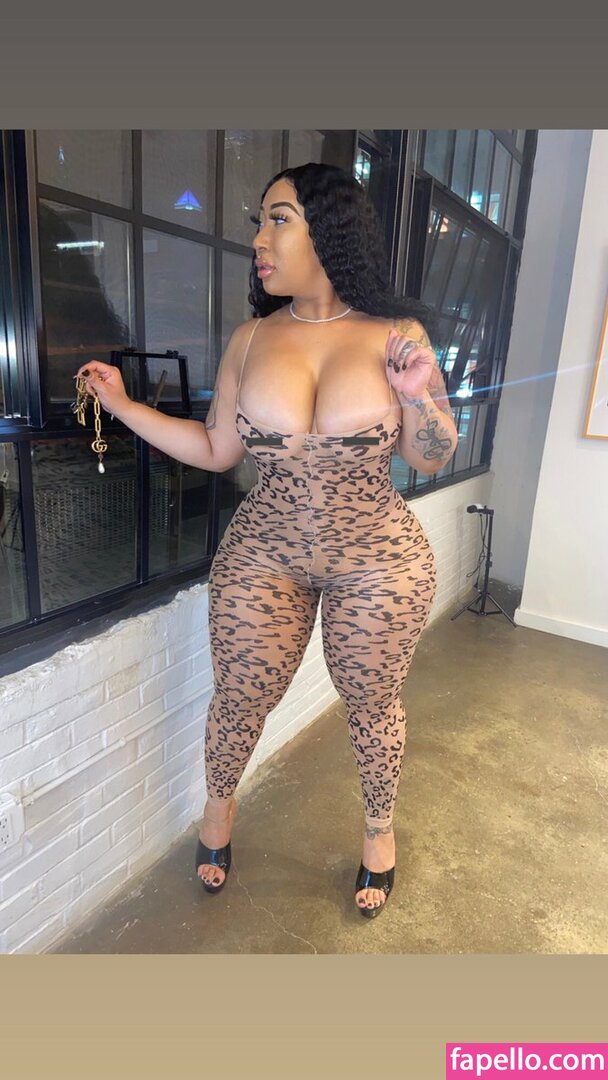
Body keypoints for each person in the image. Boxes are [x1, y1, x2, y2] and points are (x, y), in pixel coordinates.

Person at [76, 162, 458, 921]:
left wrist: (418, 398)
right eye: (261, 221)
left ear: (330, 230)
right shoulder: (251, 339)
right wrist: (120, 407)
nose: (259, 239)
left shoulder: (397, 336)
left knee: (371, 703)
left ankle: (379, 830)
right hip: (266, 550)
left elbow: (431, 457)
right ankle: (218, 809)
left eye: (279, 219)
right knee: (241, 697)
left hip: (376, 557)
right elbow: (217, 448)